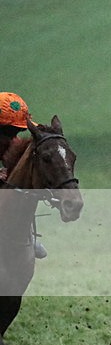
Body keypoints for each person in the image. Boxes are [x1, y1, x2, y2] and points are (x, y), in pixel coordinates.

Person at [0, 92, 47, 259]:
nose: (14, 139)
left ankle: (23, 236)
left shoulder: (9, 145)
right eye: (8, 132)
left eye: (17, 132)